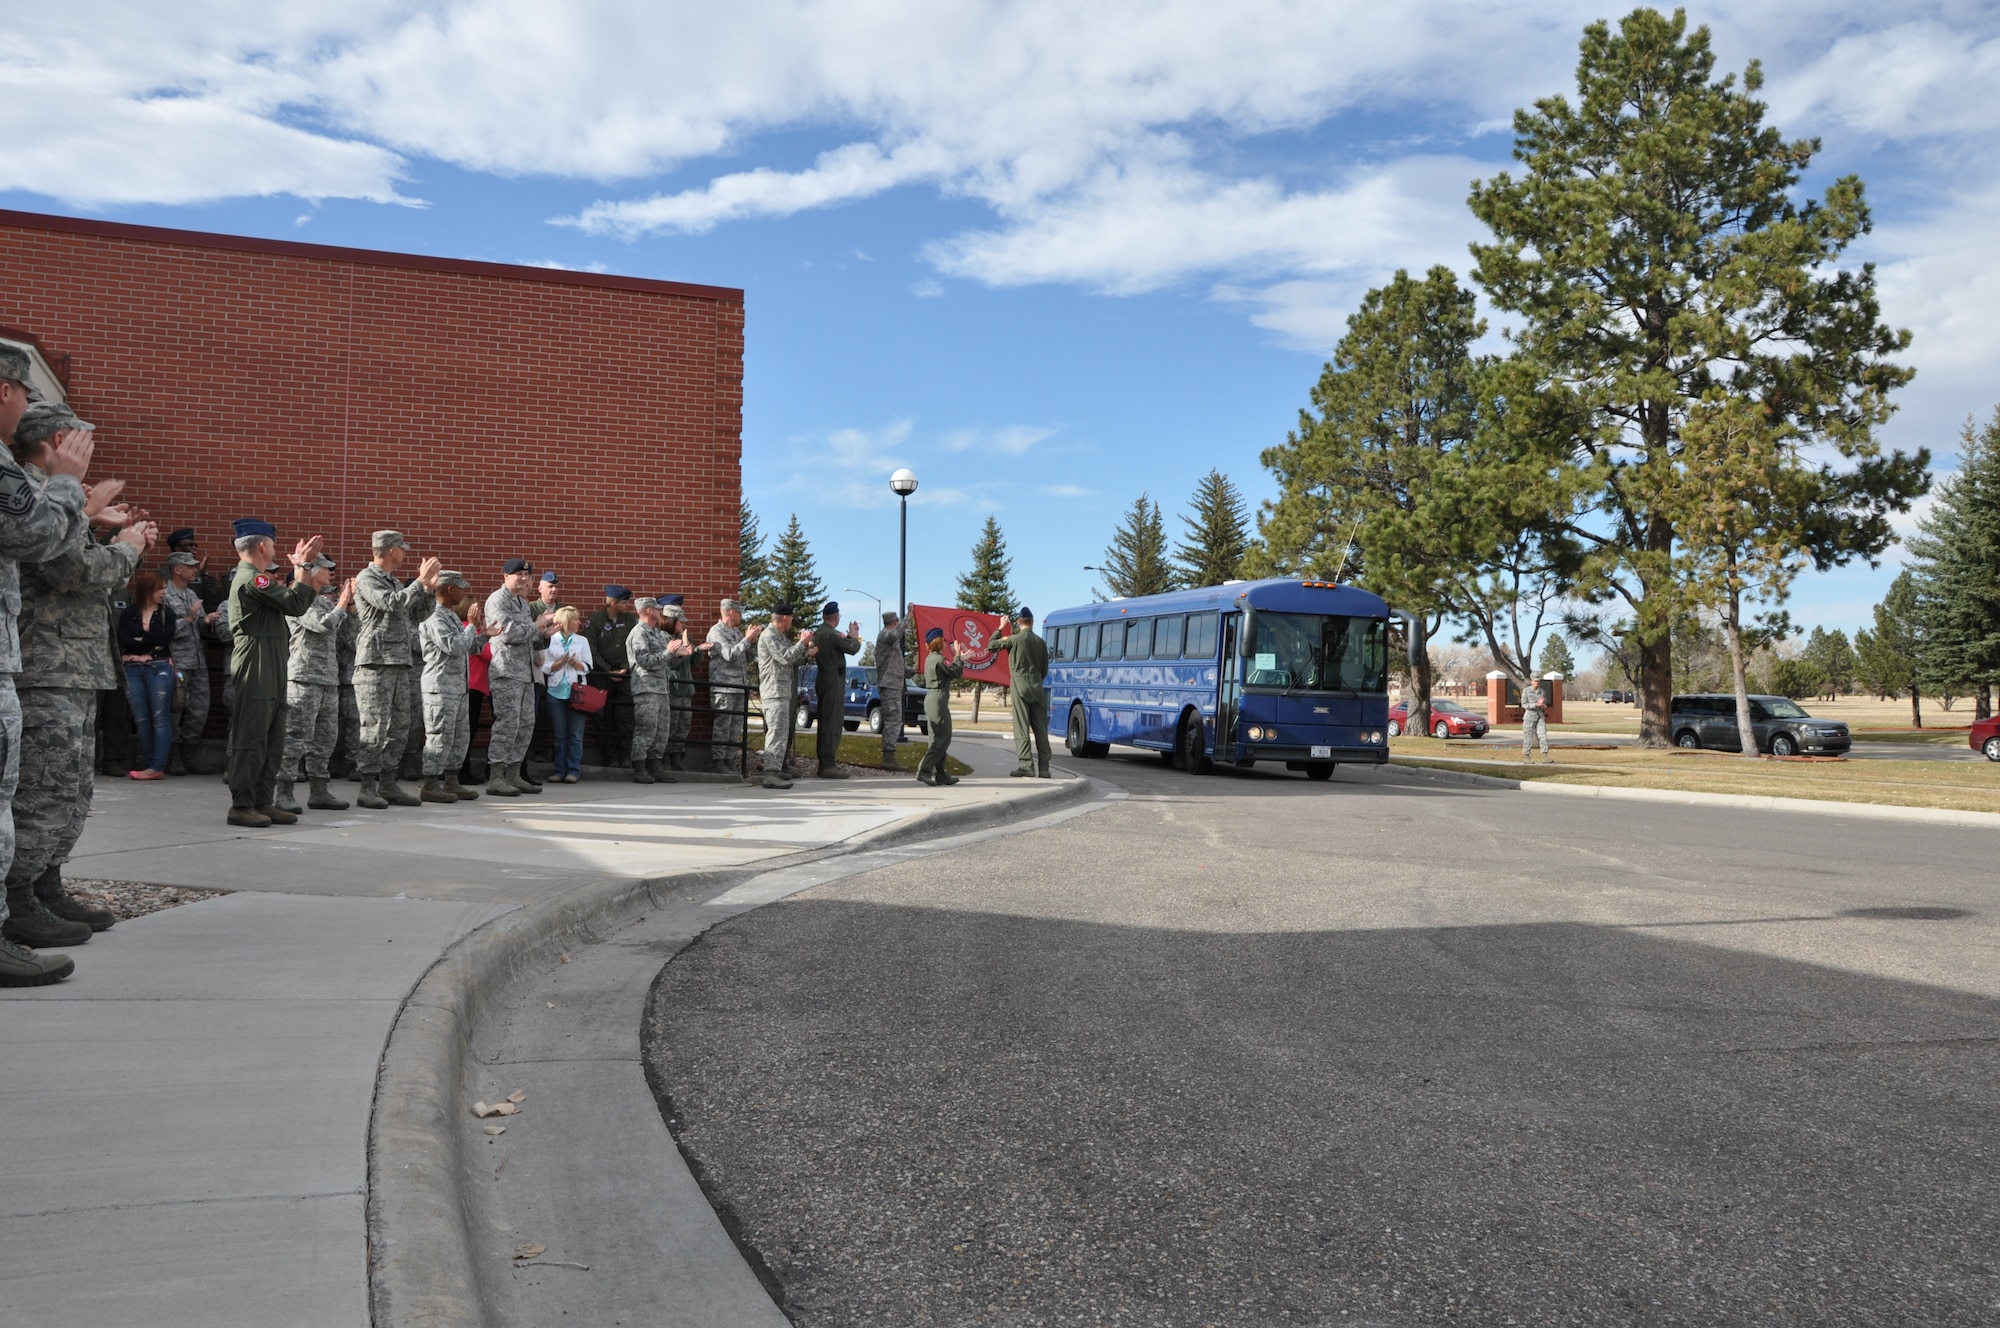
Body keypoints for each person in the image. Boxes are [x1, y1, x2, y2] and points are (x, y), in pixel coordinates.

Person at [6, 402, 152, 948]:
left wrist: (93, 521)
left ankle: (45, 884)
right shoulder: (31, 489)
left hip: (71, 667)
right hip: (46, 667)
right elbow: (69, 572)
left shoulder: (56, 496)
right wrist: (129, 550)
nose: (88, 453)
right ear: (58, 440)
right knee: (43, 790)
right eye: (80, 441)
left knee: (68, 790)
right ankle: (17, 898)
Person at [0, 346, 98, 986]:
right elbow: (48, 553)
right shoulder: (23, 477)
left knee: (56, 792)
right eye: (23, 391)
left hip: (43, 661)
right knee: (33, 795)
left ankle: (36, 893)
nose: (24, 403)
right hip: (43, 663)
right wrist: (71, 494)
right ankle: (20, 907)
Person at [222, 519, 323, 828]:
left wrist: (304, 569)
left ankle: (262, 800)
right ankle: (242, 804)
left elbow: (296, 603)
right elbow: (294, 604)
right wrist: (304, 566)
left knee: (272, 734)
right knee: (252, 735)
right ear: (262, 546)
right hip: (256, 659)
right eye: (273, 544)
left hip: (271, 658)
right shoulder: (253, 579)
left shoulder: (258, 578)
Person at [276, 557, 355, 813]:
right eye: (327, 569)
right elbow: (322, 625)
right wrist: (342, 603)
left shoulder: (323, 601)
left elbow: (347, 633)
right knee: (295, 738)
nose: (332, 573)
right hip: (304, 678)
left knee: (325, 739)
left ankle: (319, 791)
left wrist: (350, 607)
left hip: (328, 679)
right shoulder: (300, 599)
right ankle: (284, 792)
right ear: (311, 571)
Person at [483, 557, 551, 797]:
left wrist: (544, 633)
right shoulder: (497, 600)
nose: (524, 579)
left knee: (525, 725)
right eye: (518, 575)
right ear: (505, 577)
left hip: (525, 673)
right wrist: (537, 624)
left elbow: (529, 637)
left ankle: (514, 774)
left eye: (527, 575)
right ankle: (496, 776)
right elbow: (509, 633)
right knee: (507, 724)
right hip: (507, 672)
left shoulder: (521, 603)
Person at [417, 571, 484, 802]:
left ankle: (452, 781)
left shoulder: (452, 616)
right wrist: (471, 626)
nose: (463, 593)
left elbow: (468, 647)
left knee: (459, 736)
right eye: (460, 588)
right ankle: (431, 784)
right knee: (439, 736)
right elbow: (454, 647)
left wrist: (484, 636)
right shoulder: (434, 616)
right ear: (449, 589)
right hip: (441, 686)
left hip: (458, 686)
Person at [160, 549, 218, 774]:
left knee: (199, 708)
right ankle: (173, 756)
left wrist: (207, 620)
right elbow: (163, 631)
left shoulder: (192, 595)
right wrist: (190, 619)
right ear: (177, 569)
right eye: (190, 566)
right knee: (176, 707)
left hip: (197, 660)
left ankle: (189, 753)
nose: (195, 569)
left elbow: (200, 626)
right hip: (178, 661)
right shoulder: (165, 594)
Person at [119, 571, 178, 782]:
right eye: (160, 588)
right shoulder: (129, 613)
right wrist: (148, 641)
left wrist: (141, 639)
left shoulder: (166, 613)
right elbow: (123, 638)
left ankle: (157, 765)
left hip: (159, 666)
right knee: (142, 719)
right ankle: (149, 762)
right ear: (148, 590)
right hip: (132, 668)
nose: (163, 592)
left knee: (160, 717)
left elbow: (166, 636)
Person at [986, 605, 1053, 778]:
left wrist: (1000, 628)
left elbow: (991, 646)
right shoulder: (1040, 642)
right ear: (1032, 622)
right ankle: (1044, 768)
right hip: (1037, 686)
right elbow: (1045, 668)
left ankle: (1026, 766)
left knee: (1021, 727)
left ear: (1018, 622)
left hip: (1019, 684)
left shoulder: (1014, 640)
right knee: (1041, 730)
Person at [755, 602, 816, 790]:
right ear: (783, 618)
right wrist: (802, 643)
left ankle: (777, 768)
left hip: (782, 692)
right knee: (775, 732)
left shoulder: (780, 636)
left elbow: (794, 657)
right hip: (773, 692)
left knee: (781, 732)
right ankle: (770, 773)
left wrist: (806, 649)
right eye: (791, 618)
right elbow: (785, 657)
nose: (792, 622)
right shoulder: (769, 636)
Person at [705, 598, 761, 782]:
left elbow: (749, 656)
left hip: (739, 686)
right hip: (724, 687)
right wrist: (746, 639)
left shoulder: (737, 632)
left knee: (735, 727)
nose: (741, 616)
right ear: (731, 612)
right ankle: (717, 761)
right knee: (723, 725)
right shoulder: (716, 632)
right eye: (739, 612)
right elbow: (728, 654)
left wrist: (752, 641)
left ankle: (729, 759)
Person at [585, 584, 636, 769]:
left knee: (625, 718)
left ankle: (626, 757)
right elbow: (591, 649)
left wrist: (623, 668)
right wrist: (607, 670)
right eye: (624, 602)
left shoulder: (631, 620)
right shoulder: (596, 620)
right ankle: (610, 758)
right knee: (603, 719)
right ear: (613, 603)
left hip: (624, 677)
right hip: (602, 677)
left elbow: (634, 646)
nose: (628, 605)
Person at [539, 605, 592, 782]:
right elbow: (544, 666)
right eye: (575, 619)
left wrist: (576, 664)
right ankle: (559, 770)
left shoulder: (582, 641)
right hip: (555, 691)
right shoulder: (550, 639)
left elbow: (588, 666)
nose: (579, 622)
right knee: (559, 735)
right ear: (565, 622)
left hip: (577, 692)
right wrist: (558, 664)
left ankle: (573, 770)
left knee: (575, 735)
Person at [809, 600, 862, 778]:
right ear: (836, 617)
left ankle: (825, 762)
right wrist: (853, 635)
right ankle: (828, 764)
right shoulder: (832, 634)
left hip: (823, 678)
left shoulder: (819, 633)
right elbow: (852, 648)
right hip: (833, 681)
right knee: (832, 723)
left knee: (825, 721)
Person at [625, 597, 675, 784]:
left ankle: (656, 767)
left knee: (661, 731)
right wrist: (668, 653)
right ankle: (639, 768)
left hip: (661, 688)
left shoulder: (657, 633)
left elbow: (666, 660)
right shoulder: (639, 633)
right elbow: (644, 660)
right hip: (646, 688)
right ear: (647, 610)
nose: (659, 611)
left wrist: (678, 654)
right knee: (646, 729)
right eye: (656, 608)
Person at [660, 596, 709, 771]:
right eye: (680, 622)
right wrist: (684, 651)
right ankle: (664, 758)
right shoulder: (663, 638)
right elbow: (670, 662)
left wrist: (698, 651)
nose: (683, 625)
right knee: (670, 726)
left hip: (686, 689)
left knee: (683, 726)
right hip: (673, 688)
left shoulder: (682, 636)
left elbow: (692, 663)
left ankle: (677, 757)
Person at [916, 627, 964, 787]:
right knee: (944, 738)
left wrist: (960, 658)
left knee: (935, 739)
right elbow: (955, 672)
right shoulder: (939, 659)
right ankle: (924, 770)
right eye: (943, 639)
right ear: (938, 642)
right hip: (938, 699)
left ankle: (941, 774)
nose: (945, 642)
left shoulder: (930, 658)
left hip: (931, 698)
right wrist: (958, 655)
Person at [165, 526, 228, 611]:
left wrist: (203, 573)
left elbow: (214, 599)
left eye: (195, 545)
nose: (194, 548)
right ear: (178, 548)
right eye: (190, 545)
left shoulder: (197, 575)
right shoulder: (163, 574)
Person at [875, 610, 907, 768]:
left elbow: (894, 664)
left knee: (895, 720)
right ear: (894, 623)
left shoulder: (890, 641)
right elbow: (895, 635)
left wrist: (911, 670)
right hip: (889, 685)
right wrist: (909, 616)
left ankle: (889, 756)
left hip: (894, 684)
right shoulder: (885, 636)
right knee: (892, 720)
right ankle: (889, 757)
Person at [460, 626, 491, 787]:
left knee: (467, 730)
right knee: (467, 730)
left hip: (473, 684)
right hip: (473, 684)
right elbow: (487, 654)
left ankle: (463, 770)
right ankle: (462, 771)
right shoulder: (469, 628)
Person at [1521, 678, 1550, 763]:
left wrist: (1543, 705)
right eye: (1535, 681)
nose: (1536, 683)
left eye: (1538, 681)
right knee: (1528, 737)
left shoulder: (1542, 691)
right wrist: (1535, 705)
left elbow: (1545, 702)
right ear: (1531, 682)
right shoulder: (1526, 691)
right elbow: (1524, 704)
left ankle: (1545, 756)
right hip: (1529, 716)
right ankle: (1526, 756)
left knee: (1543, 735)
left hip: (1540, 716)